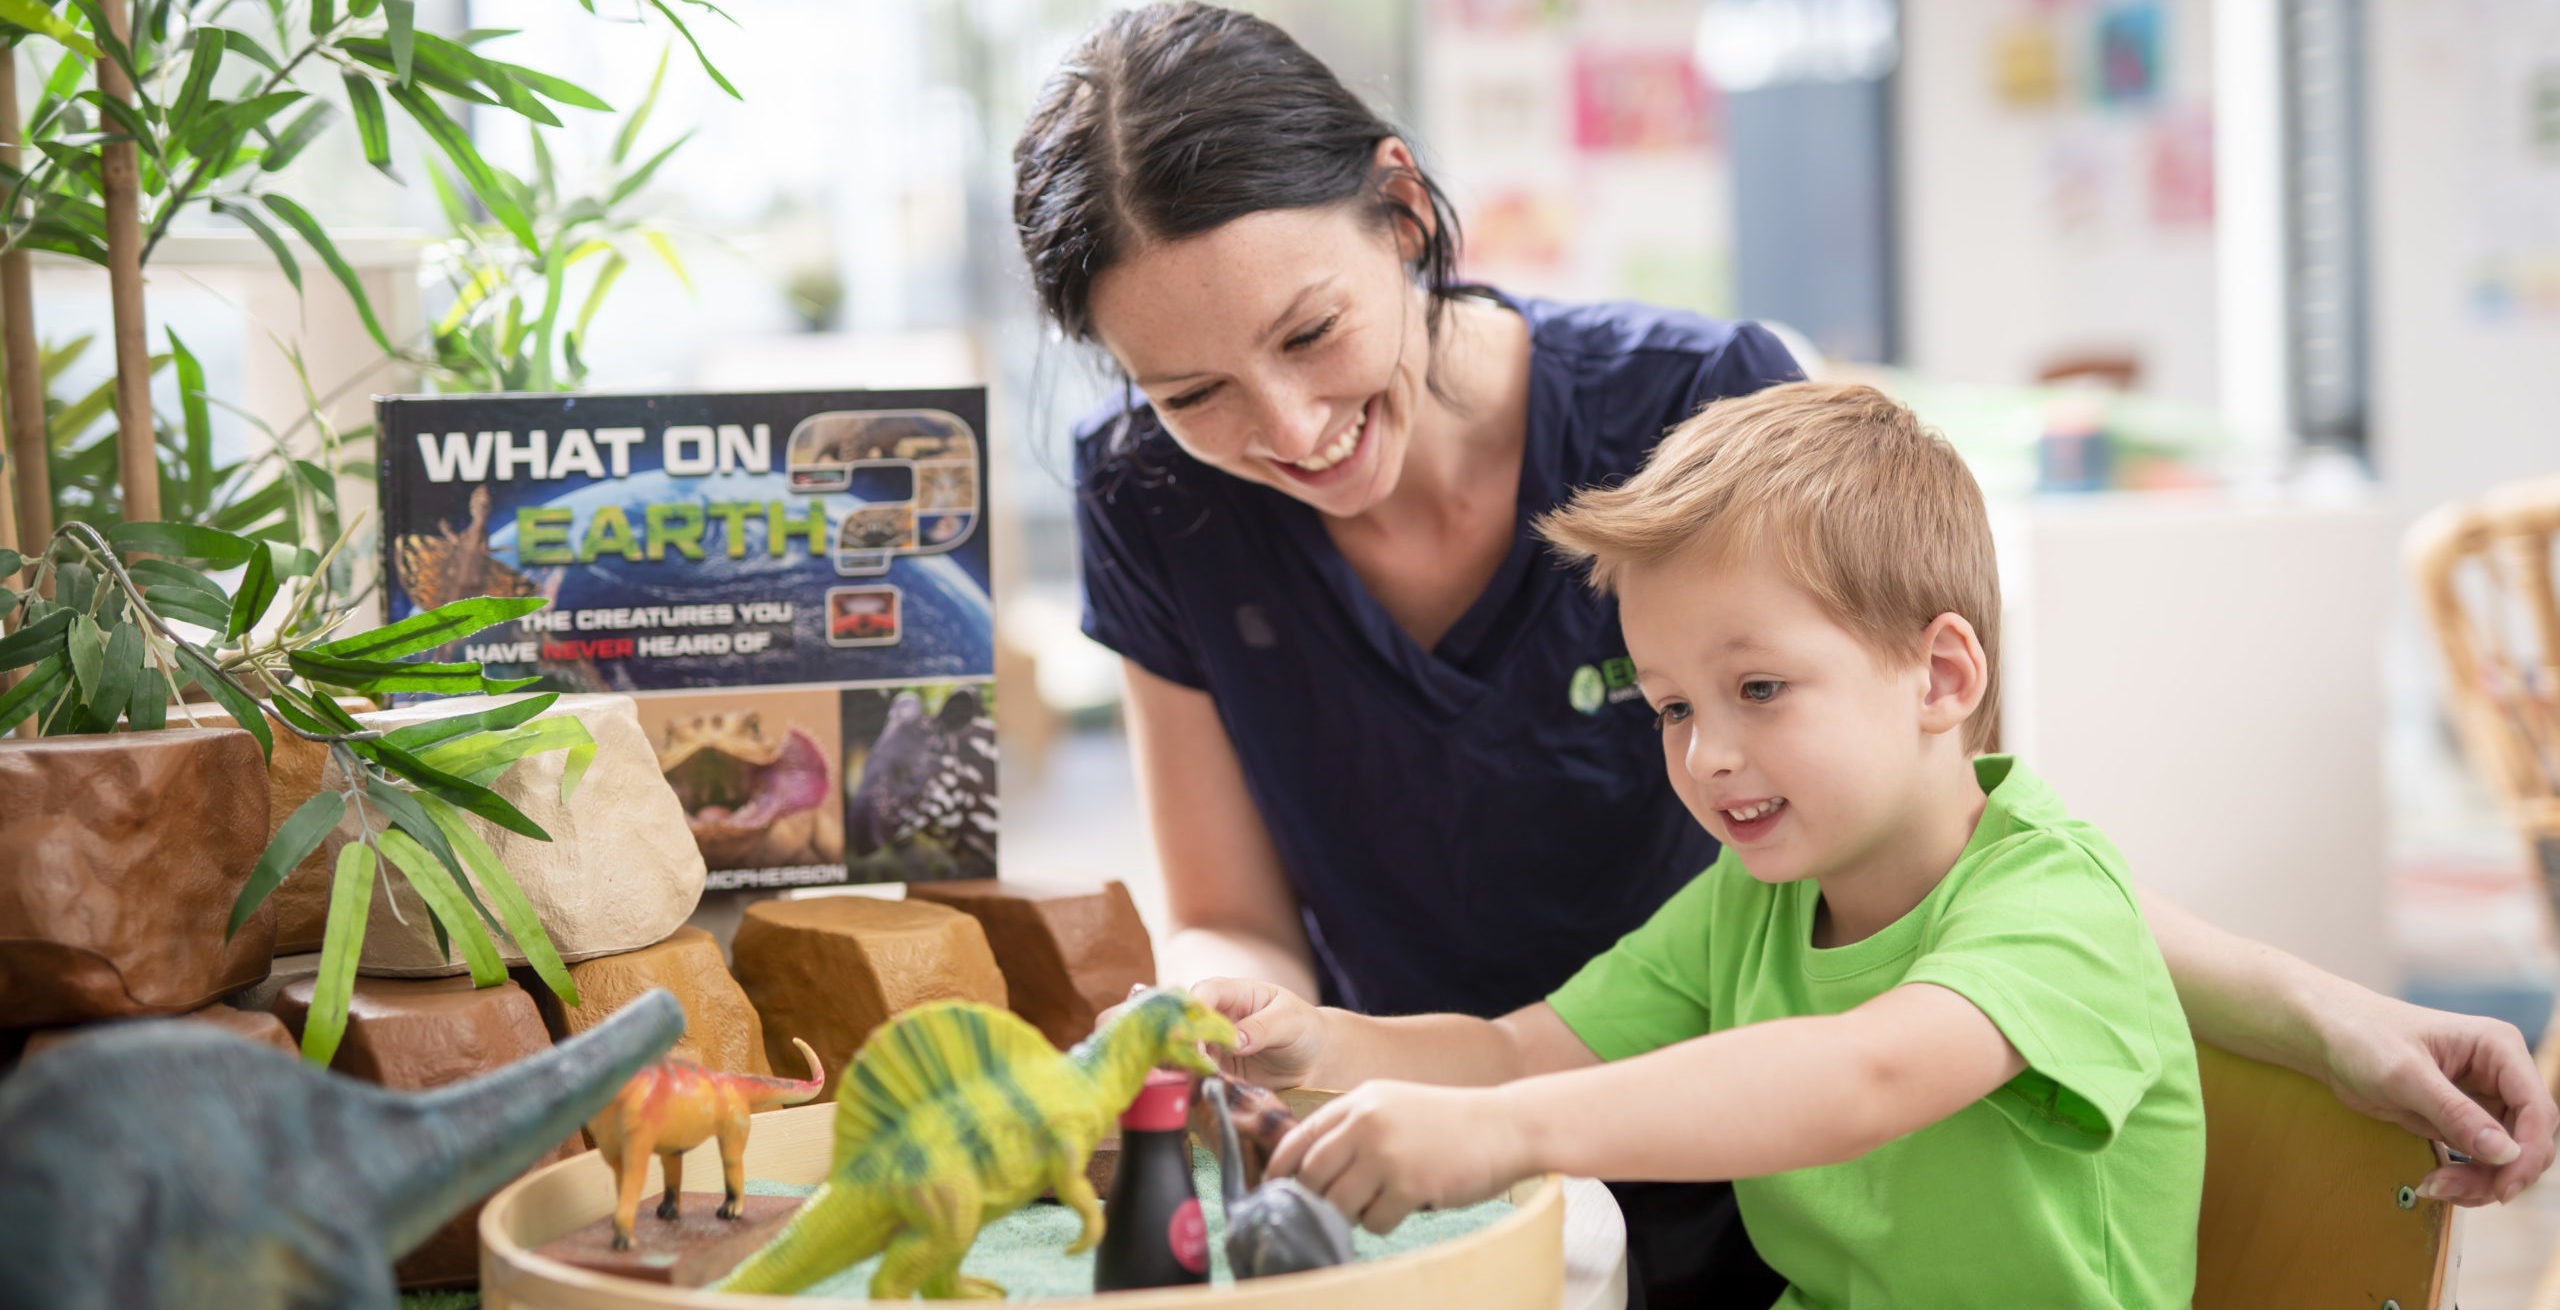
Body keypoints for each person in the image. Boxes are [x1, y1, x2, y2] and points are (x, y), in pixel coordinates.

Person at [1012, 4, 2553, 1301]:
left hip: (1668, 1164)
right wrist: (1281, 1037)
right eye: (1192, 391)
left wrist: (2326, 1013)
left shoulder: (1693, 419)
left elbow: (1952, 886)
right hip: (1456, 1152)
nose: (1284, 432)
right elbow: (1394, 997)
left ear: (1403, 213)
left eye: (1307, 334)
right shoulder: (1732, 929)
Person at [1222, 380, 2204, 1307]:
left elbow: (1865, 1073)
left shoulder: (2053, 894)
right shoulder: (1751, 902)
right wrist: (1318, 1039)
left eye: (1759, 688)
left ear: (1940, 675)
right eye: (1672, 706)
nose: (1706, 753)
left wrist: (1497, 1134)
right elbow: (1517, 1051)